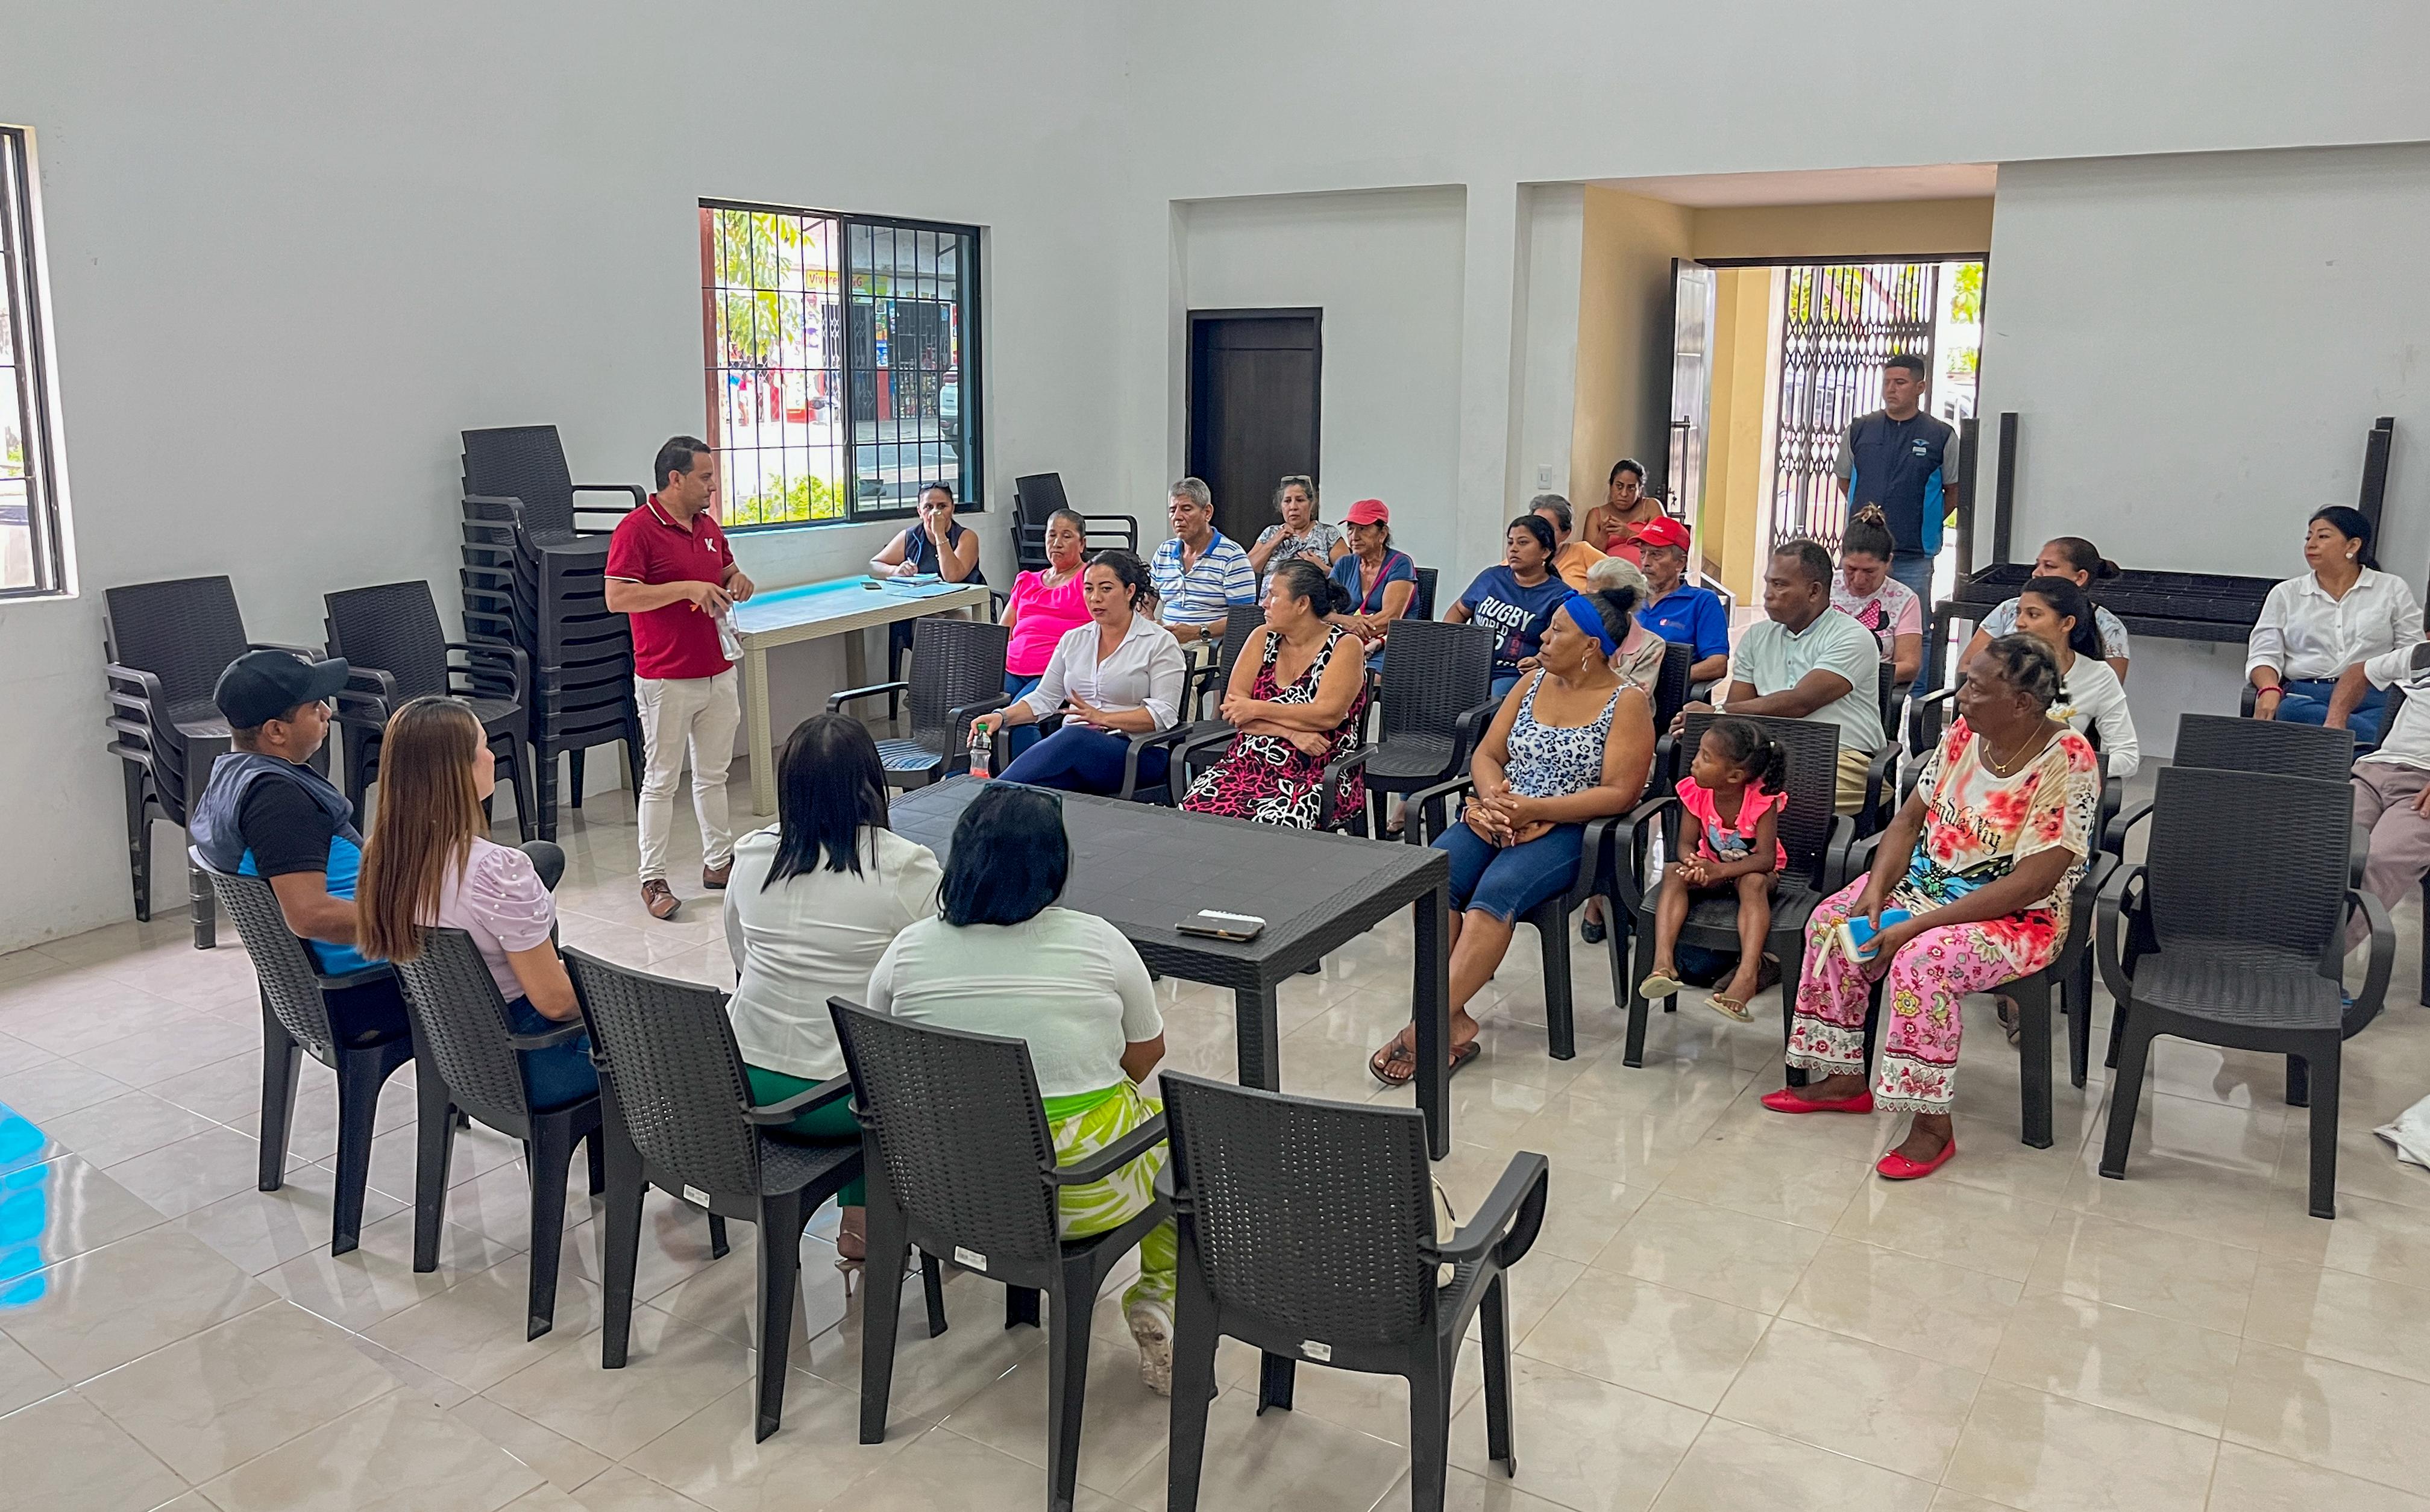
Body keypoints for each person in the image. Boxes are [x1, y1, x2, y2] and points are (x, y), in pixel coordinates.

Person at [864, 785, 1176, 1392]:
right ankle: (1160, 1294)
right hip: (1079, 1191)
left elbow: (881, 1059)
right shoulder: (1099, 939)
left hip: (945, 1186)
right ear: (1054, 867)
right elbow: (1147, 1052)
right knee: (1180, 1141)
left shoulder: (907, 951)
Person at [1765, 635, 2099, 1183]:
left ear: (2021, 703)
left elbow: (2032, 882)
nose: (1961, 696)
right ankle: (1845, 1079)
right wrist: (1876, 888)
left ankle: (1931, 1126)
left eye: (1977, 688)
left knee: (1923, 960)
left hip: (2016, 918)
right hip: (1923, 888)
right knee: (1832, 920)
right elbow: (1907, 820)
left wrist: (1919, 925)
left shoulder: (2067, 760)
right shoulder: (1965, 733)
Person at [1366, 591, 1656, 1084]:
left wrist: (1537, 810)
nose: (1544, 636)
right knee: (1433, 873)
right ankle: (1452, 1019)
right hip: (1503, 812)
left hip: (1571, 830)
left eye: (1558, 630)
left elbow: (1620, 793)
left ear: (1591, 646)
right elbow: (1487, 755)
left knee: (1496, 892)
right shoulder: (1531, 682)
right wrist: (1492, 801)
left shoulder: (1626, 703)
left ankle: (1424, 1029)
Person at [723, 714, 943, 1264]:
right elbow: (933, 985)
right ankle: (868, 1223)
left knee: (858, 1041)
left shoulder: (751, 855)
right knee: (889, 1050)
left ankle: (858, 1219)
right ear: (871, 783)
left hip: (745, 1079)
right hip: (843, 1103)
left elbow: (741, 958)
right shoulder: (903, 866)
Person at [353, 698, 591, 1111]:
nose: (492, 756)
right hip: (534, 1056)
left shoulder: (382, 857)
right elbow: (556, 1004)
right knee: (672, 1043)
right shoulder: (495, 870)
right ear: (455, 771)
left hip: (461, 1056)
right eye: (482, 745)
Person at [188, 650, 403, 1038]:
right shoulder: (278, 801)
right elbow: (310, 915)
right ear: (276, 731)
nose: (327, 713)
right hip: (374, 984)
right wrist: (418, 923)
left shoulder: (231, 776)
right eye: (314, 707)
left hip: (352, 970)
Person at [603, 436, 756, 921]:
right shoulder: (636, 529)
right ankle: (653, 877)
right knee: (662, 779)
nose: (712, 486)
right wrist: (684, 589)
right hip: (666, 676)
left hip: (718, 668)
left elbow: (727, 569)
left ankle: (719, 862)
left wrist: (737, 580)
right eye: (704, 477)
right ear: (675, 478)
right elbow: (618, 597)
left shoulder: (708, 526)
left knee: (714, 775)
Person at [1680, 540, 1886, 816]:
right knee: (1701, 782)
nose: (1768, 595)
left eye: (1779, 585)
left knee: (1772, 797)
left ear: (1814, 591)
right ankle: (1702, 846)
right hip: (1773, 752)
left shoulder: (1852, 637)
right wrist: (1699, 722)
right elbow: (1739, 715)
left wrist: (1715, 711)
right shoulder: (1757, 636)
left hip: (1842, 756)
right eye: (1768, 583)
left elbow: (1800, 703)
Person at [969, 551, 1189, 795]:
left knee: (1074, 736)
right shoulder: (1074, 639)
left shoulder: (1159, 642)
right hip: (1077, 755)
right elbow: (1045, 698)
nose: (1095, 598)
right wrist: (1001, 716)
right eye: (1088, 589)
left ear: (1130, 591)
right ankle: (989, 800)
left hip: (1137, 753)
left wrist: (1102, 718)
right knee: (1026, 793)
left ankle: (983, 795)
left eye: (1106, 589)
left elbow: (1163, 714)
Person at [1182, 559, 1369, 829]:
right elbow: (1233, 710)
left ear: (1302, 604)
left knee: (1272, 824)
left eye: (1273, 595)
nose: (1264, 604)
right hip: (1248, 761)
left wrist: (1256, 708)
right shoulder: (1262, 637)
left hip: (1315, 769)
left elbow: (1326, 716)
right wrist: (1290, 732)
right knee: (1193, 810)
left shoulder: (1345, 645)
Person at [1637, 718, 1788, 1022]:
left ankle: (1748, 975)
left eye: (1706, 758)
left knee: (1752, 882)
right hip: (1711, 870)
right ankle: (1663, 965)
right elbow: (1685, 844)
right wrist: (1693, 864)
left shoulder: (1761, 801)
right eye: (1698, 752)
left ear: (1734, 776)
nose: (1694, 762)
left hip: (1753, 874)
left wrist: (1718, 871)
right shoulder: (1695, 791)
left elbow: (1766, 860)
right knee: (1673, 873)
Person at [2248, 504, 2421, 744]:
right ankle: (2372, 743)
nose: (2311, 545)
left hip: (2373, 695)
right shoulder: (2285, 594)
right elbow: (2264, 654)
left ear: (2353, 546)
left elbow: (2411, 652)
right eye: (2309, 537)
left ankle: (2343, 742)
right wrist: (2269, 689)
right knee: (2290, 711)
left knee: (2398, 718)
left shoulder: (2391, 588)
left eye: (2323, 537)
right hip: (2308, 696)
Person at [1833, 353, 1959, 603]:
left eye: (1900, 383)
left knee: (1913, 618)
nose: (1891, 389)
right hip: (1862, 551)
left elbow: (1954, 490)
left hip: (1914, 555)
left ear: (1920, 387)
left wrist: (1927, 519)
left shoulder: (1941, 435)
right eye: (1887, 382)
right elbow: (1845, 480)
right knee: (1851, 615)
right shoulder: (1860, 429)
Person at [2340, 639, 2430, 946]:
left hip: (2422, 791)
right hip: (2373, 773)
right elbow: (2359, 672)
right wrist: (2335, 720)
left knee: (2376, 862)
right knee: (2320, 849)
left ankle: (2312, 962)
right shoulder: (2421, 655)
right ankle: (2269, 945)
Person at [2011, 576, 2138, 779]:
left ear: (2067, 623)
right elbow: (1970, 737)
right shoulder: (1999, 666)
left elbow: (2126, 757)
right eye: (2018, 613)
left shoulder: (2098, 676)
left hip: (2057, 786)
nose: (2020, 623)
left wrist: (2068, 769)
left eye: (2033, 615)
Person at [871, 482, 986, 703]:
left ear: (952, 508)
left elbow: (953, 575)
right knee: (931, 623)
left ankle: (937, 694)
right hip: (923, 610)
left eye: (942, 506)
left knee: (957, 620)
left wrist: (940, 535)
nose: (935, 513)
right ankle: (928, 695)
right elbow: (874, 565)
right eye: (928, 507)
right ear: (919, 511)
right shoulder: (910, 536)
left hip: (963, 606)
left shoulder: (966, 537)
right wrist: (896, 570)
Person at [1961, 537, 2131, 682]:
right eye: (2037, 565)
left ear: (2080, 577)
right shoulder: (2009, 608)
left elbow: (2110, 688)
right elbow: (1966, 665)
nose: (2036, 573)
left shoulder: (2109, 626)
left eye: (2049, 566)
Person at [1446, 515, 1576, 698]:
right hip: (1471, 664)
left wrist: (1538, 660)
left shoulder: (1559, 596)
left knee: (1496, 703)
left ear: (1545, 552)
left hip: (1513, 672)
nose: (1514, 549)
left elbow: (1562, 641)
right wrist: (1447, 641)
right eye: (1510, 543)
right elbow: (1460, 610)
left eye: (1523, 543)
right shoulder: (1491, 578)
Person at [1000, 508, 1092, 761]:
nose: (1057, 543)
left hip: (1053, 671)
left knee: (1018, 717)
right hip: (1011, 667)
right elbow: (1004, 630)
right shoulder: (1026, 580)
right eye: (1052, 535)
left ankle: (1031, 776)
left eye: (1067, 536)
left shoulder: (1089, 580)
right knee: (971, 705)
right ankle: (963, 776)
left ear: (1082, 544)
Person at [1148, 477, 1257, 650]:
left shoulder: (1231, 556)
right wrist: (1150, 624)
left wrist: (1198, 632)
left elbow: (1244, 620)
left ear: (1207, 513)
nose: (1177, 517)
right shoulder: (1164, 552)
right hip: (1165, 641)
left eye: (1186, 509)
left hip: (1207, 644)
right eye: (1172, 510)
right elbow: (1147, 603)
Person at [1832, 504, 1923, 686]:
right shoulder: (1824, 586)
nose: (1859, 580)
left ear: (1888, 561)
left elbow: (1909, 665)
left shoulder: (1904, 599)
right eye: (1851, 569)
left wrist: (1857, 678)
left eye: (1870, 571)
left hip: (1872, 689)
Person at [1630, 518, 1730, 683]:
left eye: (1656, 554)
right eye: (1643, 553)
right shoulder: (1629, 597)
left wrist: (1661, 679)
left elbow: (1717, 665)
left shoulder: (1702, 602)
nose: (1646, 562)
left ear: (1680, 563)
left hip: (1668, 692)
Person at [1327, 497, 1418, 667]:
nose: (1354, 536)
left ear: (1382, 534)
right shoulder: (1344, 564)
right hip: (1345, 641)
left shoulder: (1400, 564)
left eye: (1363, 529)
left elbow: (1391, 617)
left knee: (1356, 675)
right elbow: (1322, 610)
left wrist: (1349, 628)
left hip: (1388, 645)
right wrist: (1347, 622)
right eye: (1350, 528)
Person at [1245, 475, 1346, 591]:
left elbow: (1349, 577)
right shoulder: (1271, 533)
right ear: (1281, 506)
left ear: (1312, 504)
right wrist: (1273, 542)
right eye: (1287, 501)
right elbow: (1248, 568)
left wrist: (1323, 569)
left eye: (1300, 500)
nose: (1293, 507)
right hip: (1271, 601)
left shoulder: (1328, 534)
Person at [1585, 557, 1666, 690]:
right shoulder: (1576, 630)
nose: (1591, 604)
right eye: (1588, 596)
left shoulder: (1650, 646)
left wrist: (1611, 665)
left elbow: (1638, 696)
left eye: (1600, 599)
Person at [1580, 459, 1663, 557]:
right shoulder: (1596, 515)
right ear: (1611, 486)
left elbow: (1665, 546)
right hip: (1609, 567)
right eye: (1619, 486)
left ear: (1640, 490)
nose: (1624, 494)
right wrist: (1603, 535)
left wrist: (1629, 534)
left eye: (1631, 488)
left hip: (1647, 567)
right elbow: (1587, 558)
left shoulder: (1650, 506)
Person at [1530, 494, 1607, 591]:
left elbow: (1620, 574)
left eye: (1548, 529)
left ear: (1566, 534)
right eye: (1535, 527)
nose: (1539, 533)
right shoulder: (1520, 557)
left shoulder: (1583, 552)